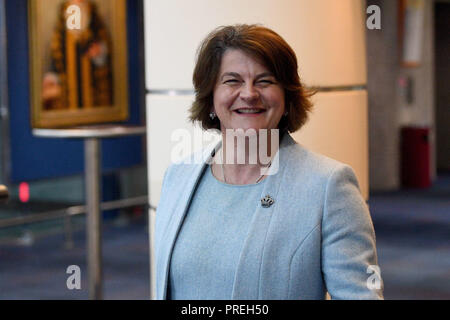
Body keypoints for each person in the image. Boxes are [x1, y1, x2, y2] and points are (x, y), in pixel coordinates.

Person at [154, 24, 383, 300]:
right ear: (211, 99)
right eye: (232, 81)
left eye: (265, 81)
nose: (249, 93)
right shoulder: (178, 177)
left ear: (286, 98)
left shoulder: (328, 186)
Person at [42, 0, 113, 110]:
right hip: (68, 95)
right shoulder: (62, 19)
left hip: (92, 92)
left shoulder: (93, 16)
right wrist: (52, 78)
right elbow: (56, 55)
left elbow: (104, 47)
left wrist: (99, 51)